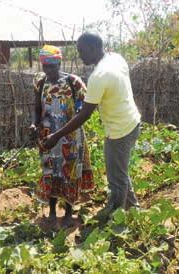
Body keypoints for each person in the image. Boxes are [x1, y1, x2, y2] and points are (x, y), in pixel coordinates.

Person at [43, 33, 141, 224]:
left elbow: (85, 115)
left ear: (93, 47)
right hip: (132, 121)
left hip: (119, 131)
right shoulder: (115, 58)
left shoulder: (99, 76)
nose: (79, 55)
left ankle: (114, 220)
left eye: (81, 50)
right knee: (120, 171)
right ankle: (133, 208)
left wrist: (56, 135)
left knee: (116, 180)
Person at [31, 45, 94, 227]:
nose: (49, 70)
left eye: (52, 66)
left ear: (59, 62)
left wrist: (60, 134)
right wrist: (34, 124)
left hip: (70, 137)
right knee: (49, 171)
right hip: (47, 138)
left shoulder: (74, 83)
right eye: (45, 66)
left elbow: (83, 112)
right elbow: (36, 108)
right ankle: (51, 211)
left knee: (69, 173)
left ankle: (68, 213)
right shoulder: (40, 82)